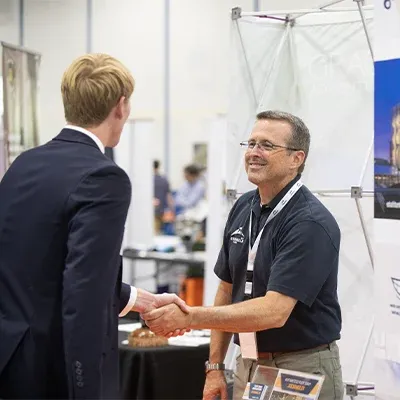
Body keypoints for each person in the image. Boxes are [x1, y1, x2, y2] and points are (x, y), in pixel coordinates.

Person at [0, 53, 187, 399]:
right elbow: (83, 291)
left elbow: (42, 266)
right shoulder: (104, 177)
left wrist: (137, 299)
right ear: (121, 106)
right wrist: (86, 389)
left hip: (12, 360)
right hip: (55, 372)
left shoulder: (24, 164)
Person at [142, 111, 344, 400]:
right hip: (248, 361)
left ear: (296, 159)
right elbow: (226, 289)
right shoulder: (244, 207)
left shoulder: (308, 222)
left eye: (266, 145)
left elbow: (274, 311)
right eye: (250, 144)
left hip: (298, 369)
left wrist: (189, 318)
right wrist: (214, 368)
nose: (254, 153)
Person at [153, 159, 174, 233]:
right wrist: (172, 210)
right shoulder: (164, 179)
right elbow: (169, 196)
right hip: (162, 210)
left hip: (152, 210)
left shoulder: (148, 181)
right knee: (162, 231)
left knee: (154, 231)